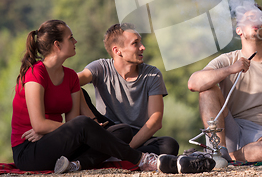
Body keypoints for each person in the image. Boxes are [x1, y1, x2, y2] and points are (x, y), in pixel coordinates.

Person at [11, 20, 158, 173]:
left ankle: (75, 164)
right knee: (84, 124)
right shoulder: (35, 73)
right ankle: (141, 159)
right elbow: (39, 125)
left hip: (58, 144)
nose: (75, 41)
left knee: (123, 131)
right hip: (29, 150)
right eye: (70, 38)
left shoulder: (71, 77)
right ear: (57, 44)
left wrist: (80, 129)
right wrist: (81, 128)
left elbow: (73, 124)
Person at [188, 3, 262, 162]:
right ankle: (217, 150)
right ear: (238, 30)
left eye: (261, 19)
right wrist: (230, 69)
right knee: (207, 89)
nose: (256, 21)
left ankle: (221, 158)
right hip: (228, 131)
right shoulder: (227, 60)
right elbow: (193, 83)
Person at [77, 23, 179, 156]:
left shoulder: (153, 74)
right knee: (79, 91)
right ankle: (126, 159)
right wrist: (91, 119)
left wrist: (125, 149)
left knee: (169, 145)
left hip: (136, 137)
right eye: (135, 43)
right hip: (108, 131)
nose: (142, 47)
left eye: (140, 42)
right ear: (117, 50)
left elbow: (155, 121)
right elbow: (71, 82)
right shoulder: (100, 67)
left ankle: (112, 157)